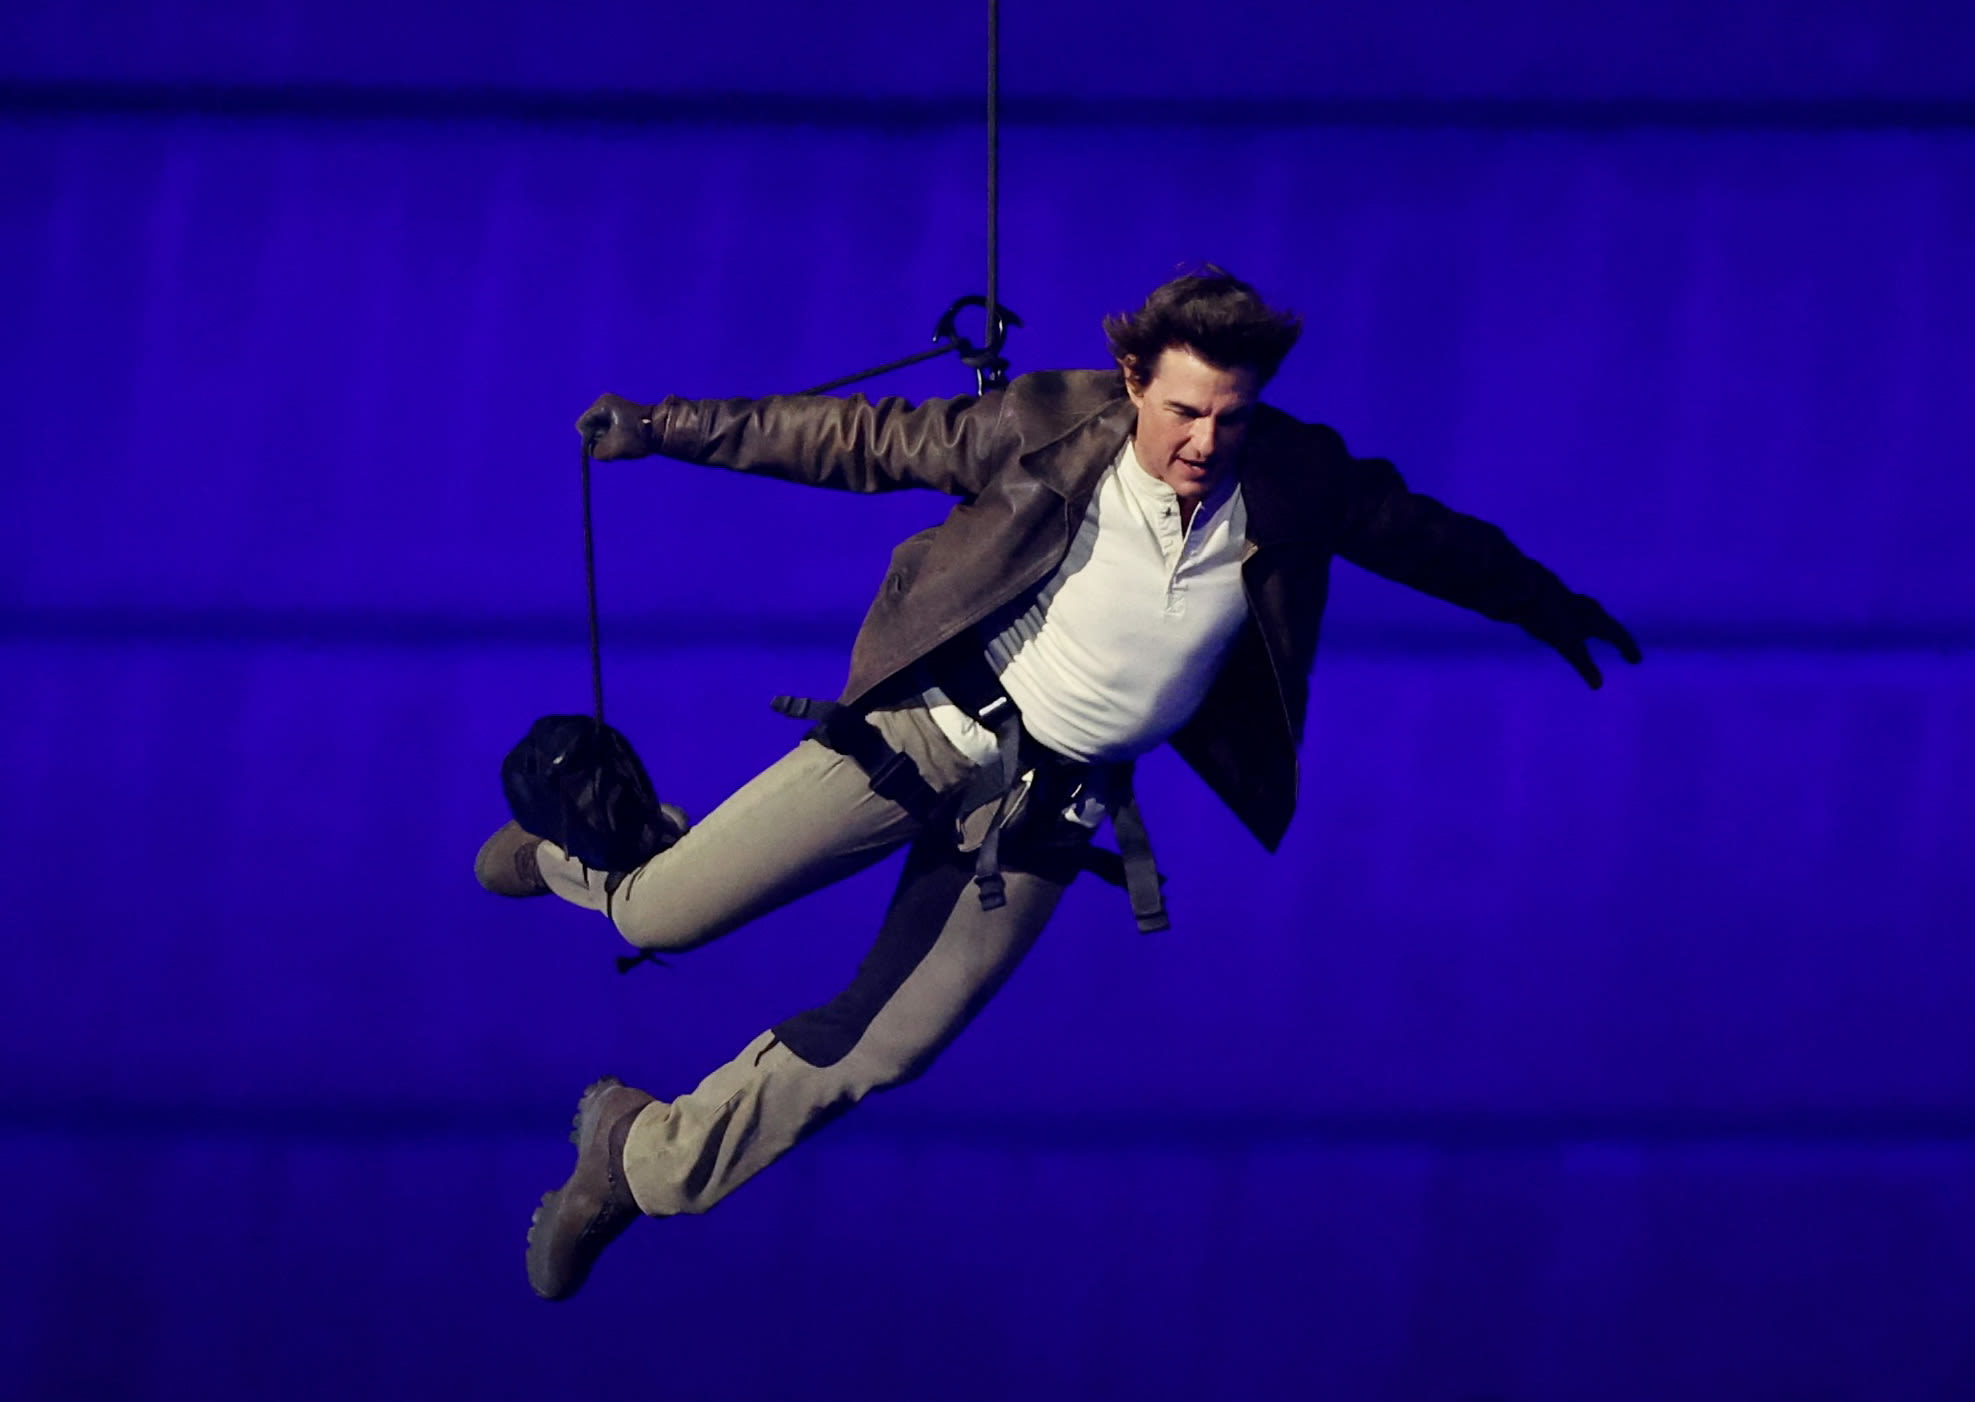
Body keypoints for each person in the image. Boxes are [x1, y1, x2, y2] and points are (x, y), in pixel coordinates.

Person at [475, 267, 1641, 1301]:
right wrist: (665, 426)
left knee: (890, 1043)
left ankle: (640, 1158)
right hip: (926, 732)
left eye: (1228, 418)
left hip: (1045, 807)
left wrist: (1545, 603)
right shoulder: (1045, 424)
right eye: (1181, 410)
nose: (1201, 441)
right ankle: (562, 860)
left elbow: (1429, 539)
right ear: (1133, 378)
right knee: (663, 908)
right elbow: (858, 440)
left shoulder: (1294, 476)